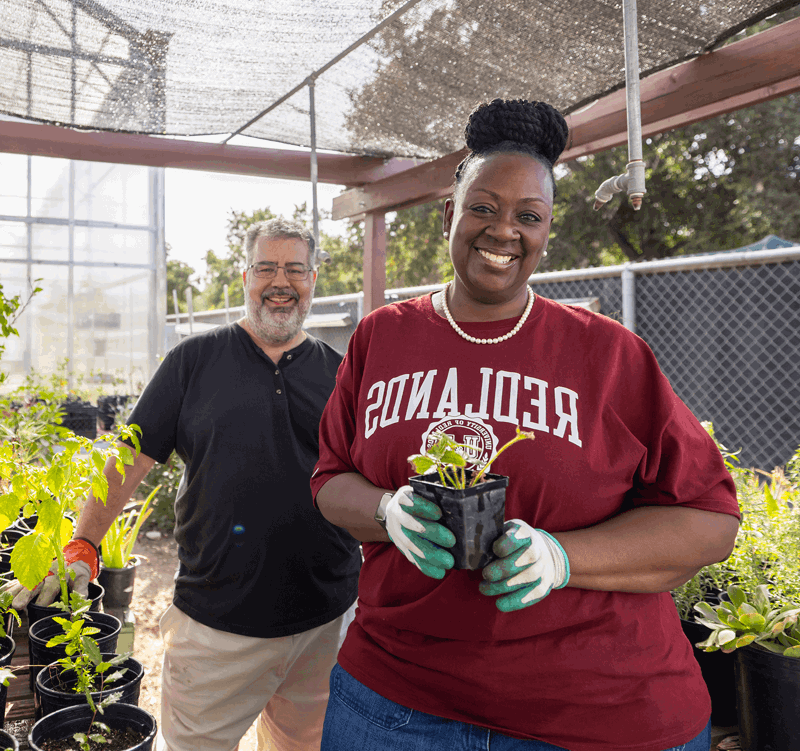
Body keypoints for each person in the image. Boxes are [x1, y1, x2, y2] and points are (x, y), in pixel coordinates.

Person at [310, 99, 740, 751]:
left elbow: (709, 522)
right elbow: (330, 478)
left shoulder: (609, 354)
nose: (502, 230)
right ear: (449, 214)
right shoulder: (382, 338)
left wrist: (564, 558)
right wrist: (386, 509)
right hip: (394, 705)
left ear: (546, 231)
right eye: (483, 207)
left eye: (527, 216)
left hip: (596, 709)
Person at [9, 218, 362, 751]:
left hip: (325, 624)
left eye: (295, 269)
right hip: (217, 625)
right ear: (245, 275)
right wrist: (84, 542)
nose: (280, 281)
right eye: (266, 267)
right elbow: (128, 460)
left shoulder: (341, 373)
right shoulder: (193, 361)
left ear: (314, 278)